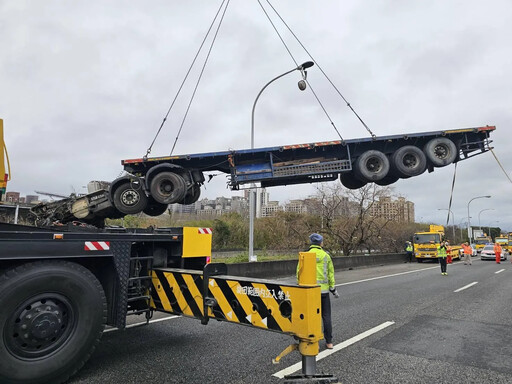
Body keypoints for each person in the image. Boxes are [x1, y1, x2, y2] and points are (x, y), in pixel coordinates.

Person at [298, 233, 338, 349]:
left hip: (309, 292)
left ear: (311, 243)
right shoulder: (326, 256)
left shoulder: (304, 255)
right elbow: (331, 274)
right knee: (326, 316)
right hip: (324, 292)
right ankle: (329, 342)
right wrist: (333, 289)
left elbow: (298, 272)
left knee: (309, 317)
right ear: (321, 243)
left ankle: (311, 341)